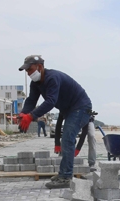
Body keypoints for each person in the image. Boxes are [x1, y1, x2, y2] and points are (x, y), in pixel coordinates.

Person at [17, 55, 92, 189]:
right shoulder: (36, 83)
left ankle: (65, 177)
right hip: (68, 109)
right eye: (26, 71)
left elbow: (50, 102)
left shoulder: (52, 78)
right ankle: (63, 173)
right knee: (67, 139)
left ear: (39, 66)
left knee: (68, 139)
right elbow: (31, 100)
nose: (28, 73)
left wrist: (32, 116)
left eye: (30, 69)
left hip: (81, 107)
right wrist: (24, 113)